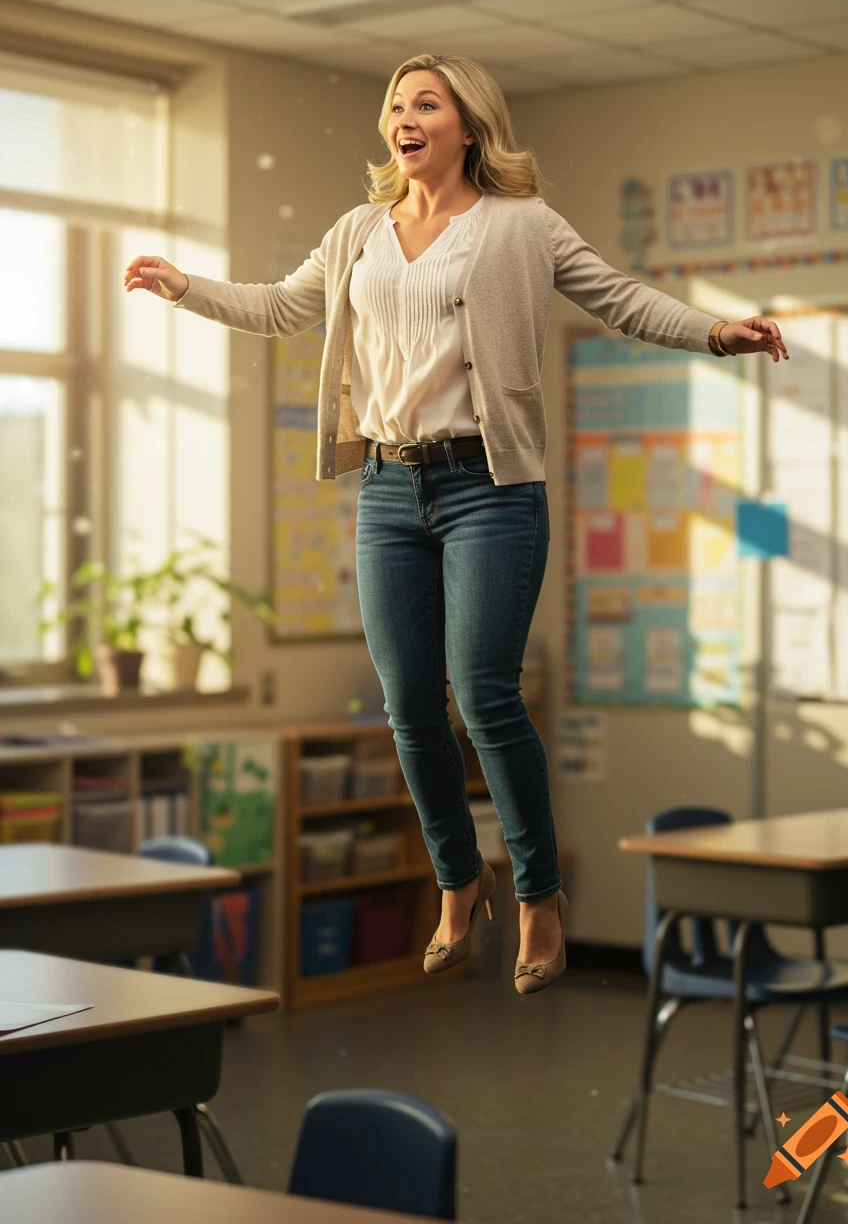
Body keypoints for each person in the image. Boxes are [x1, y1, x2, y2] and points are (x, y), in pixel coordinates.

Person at [124, 52, 788, 997]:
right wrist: (185, 286)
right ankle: (457, 878)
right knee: (406, 707)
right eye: (396, 103)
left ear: (467, 126)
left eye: (425, 103)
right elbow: (282, 307)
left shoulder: (520, 227)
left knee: (483, 694)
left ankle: (539, 895)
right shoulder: (358, 233)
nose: (405, 116)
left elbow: (620, 297)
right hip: (389, 490)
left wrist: (715, 332)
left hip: (489, 485)